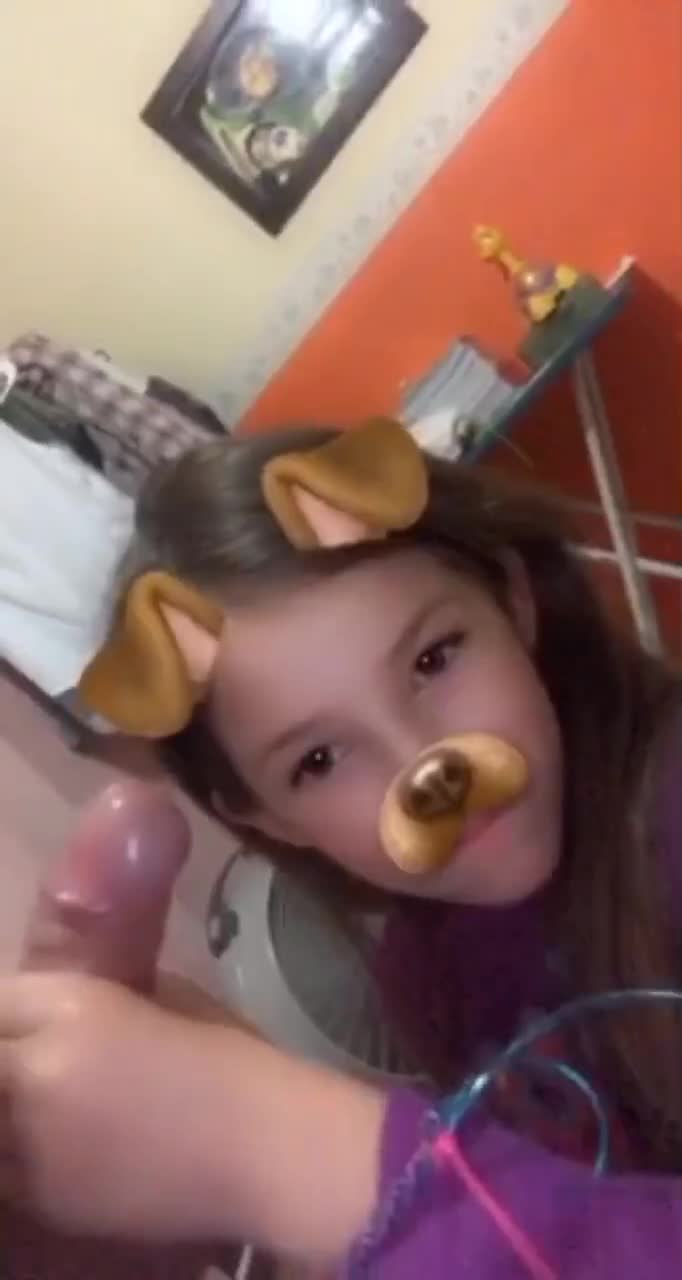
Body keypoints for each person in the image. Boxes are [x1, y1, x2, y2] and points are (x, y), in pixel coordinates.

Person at [1, 422, 681, 1277]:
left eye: (433, 659)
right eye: (319, 761)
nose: (425, 767)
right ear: (266, 817)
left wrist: (288, 1153)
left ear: (512, 604)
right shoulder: (423, 973)